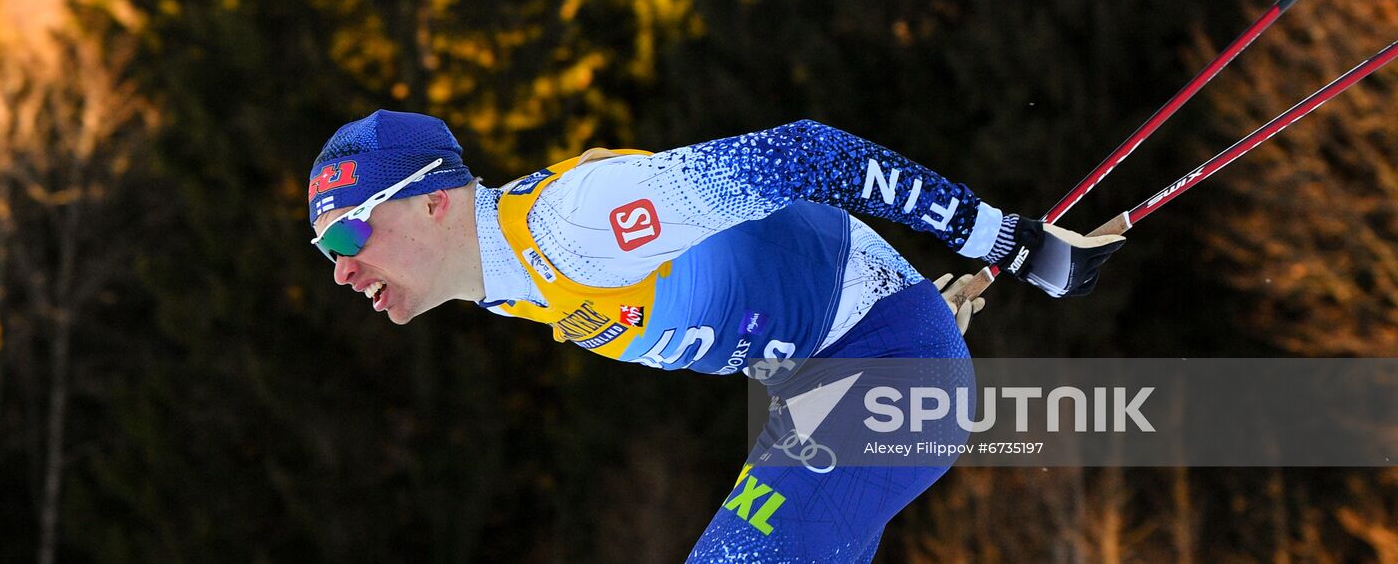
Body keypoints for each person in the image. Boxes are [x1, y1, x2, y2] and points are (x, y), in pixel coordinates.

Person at [307, 110, 1125, 563]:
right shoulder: (500, 283)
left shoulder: (580, 221)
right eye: (325, 252)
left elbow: (811, 155)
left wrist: (1004, 241)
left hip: (879, 367)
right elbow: (769, 279)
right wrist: (903, 302)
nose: (341, 270)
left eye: (348, 236)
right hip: (842, 377)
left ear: (434, 200)